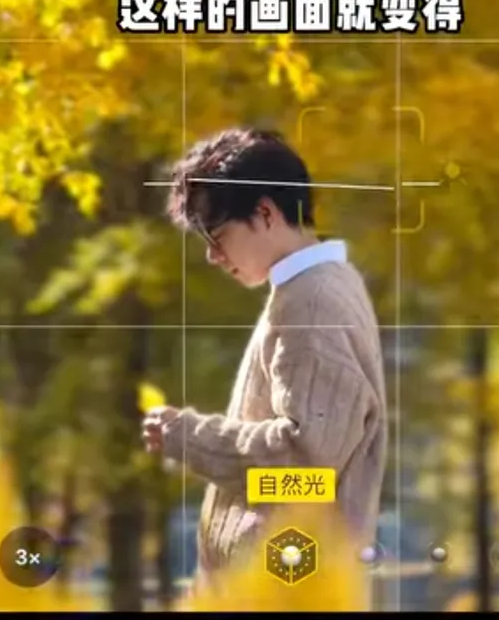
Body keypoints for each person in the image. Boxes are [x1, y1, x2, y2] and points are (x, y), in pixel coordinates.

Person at [142, 126, 388, 589]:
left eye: (216, 235)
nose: (213, 256)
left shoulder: (312, 303)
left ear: (265, 212)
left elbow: (308, 468)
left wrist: (193, 438)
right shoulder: (308, 291)